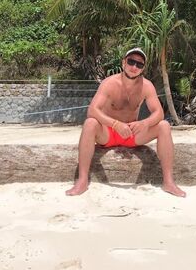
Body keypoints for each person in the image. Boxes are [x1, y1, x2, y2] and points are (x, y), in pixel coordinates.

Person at [66, 47, 186, 197]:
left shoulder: (146, 86)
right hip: (108, 134)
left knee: (164, 126)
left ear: (143, 68)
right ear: (124, 62)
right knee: (90, 123)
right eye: (131, 62)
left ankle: (168, 182)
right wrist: (115, 124)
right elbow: (92, 110)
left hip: (131, 134)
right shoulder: (109, 83)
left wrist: (144, 123)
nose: (134, 67)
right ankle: (82, 180)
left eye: (139, 64)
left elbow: (159, 113)